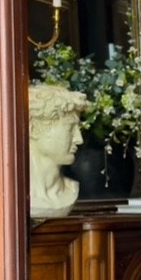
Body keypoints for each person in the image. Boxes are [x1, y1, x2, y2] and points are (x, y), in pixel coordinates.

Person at [28, 83, 89, 219]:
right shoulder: (10, 195)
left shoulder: (71, 191)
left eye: (78, 129)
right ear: (34, 129)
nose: (79, 139)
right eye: (70, 128)